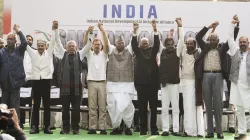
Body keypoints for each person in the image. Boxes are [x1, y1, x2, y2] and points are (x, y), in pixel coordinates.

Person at [53, 23, 92, 135]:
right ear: (66, 48)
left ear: (76, 48)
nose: (71, 48)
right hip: (65, 89)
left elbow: (89, 45)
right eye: (69, 46)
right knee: (65, 109)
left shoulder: (80, 55)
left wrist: (89, 33)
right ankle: (65, 128)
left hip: (77, 89)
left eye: (73, 46)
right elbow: (57, 42)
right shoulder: (62, 54)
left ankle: (75, 128)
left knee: (76, 110)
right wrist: (56, 30)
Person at [176, 18, 204, 137]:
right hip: (184, 82)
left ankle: (197, 131)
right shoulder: (182, 52)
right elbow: (180, 40)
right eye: (187, 43)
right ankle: (188, 131)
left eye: (191, 43)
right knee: (187, 107)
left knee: (195, 107)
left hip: (195, 83)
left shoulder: (198, 52)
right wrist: (180, 27)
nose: (189, 45)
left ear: (195, 44)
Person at [28, 21, 58, 134]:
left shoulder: (49, 53)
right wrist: (18, 32)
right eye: (39, 46)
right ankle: (34, 127)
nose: (40, 47)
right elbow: (25, 45)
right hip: (35, 82)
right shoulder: (32, 53)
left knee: (47, 105)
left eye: (42, 46)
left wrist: (54, 30)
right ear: (37, 46)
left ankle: (46, 127)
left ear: (46, 46)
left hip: (46, 82)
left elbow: (54, 42)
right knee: (35, 106)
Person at [131, 20, 160, 135]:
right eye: (142, 43)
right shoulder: (138, 53)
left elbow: (157, 45)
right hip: (141, 85)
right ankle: (143, 129)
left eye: (146, 43)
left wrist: (155, 29)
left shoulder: (153, 52)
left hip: (153, 85)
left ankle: (153, 129)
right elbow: (133, 45)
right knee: (142, 108)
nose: (144, 44)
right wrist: (134, 31)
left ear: (148, 44)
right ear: (140, 44)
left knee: (153, 108)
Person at [106, 33, 135, 135]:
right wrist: (102, 31)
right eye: (119, 43)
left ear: (124, 43)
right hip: (113, 84)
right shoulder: (111, 50)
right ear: (115, 44)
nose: (121, 44)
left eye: (122, 42)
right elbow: (106, 43)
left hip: (126, 84)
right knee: (112, 106)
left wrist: (135, 31)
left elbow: (133, 42)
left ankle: (128, 127)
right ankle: (116, 127)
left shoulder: (129, 50)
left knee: (127, 106)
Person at [158, 18, 182, 137]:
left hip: (175, 84)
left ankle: (176, 129)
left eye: (172, 44)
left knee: (176, 108)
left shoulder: (177, 53)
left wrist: (179, 27)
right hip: (164, 84)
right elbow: (159, 43)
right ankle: (166, 129)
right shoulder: (162, 52)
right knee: (164, 108)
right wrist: (156, 30)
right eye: (168, 44)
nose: (170, 46)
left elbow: (181, 40)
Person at [0, 24, 27, 120]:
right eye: (8, 39)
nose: (9, 40)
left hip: (15, 84)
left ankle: (15, 127)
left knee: (14, 108)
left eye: (11, 39)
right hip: (4, 85)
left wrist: (19, 31)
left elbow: (24, 43)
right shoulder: (2, 52)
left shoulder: (19, 50)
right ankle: (4, 127)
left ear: (15, 41)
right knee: (3, 108)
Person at [228, 15, 249, 140]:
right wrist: (233, 24)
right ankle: (242, 133)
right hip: (237, 84)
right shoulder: (235, 50)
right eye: (240, 42)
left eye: (244, 42)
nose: (242, 44)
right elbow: (230, 37)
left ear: (248, 43)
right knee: (240, 109)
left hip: (249, 86)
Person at [86, 23, 109, 135]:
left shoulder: (105, 55)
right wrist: (87, 32)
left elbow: (107, 44)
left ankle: (103, 128)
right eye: (95, 44)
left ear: (101, 46)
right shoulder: (89, 54)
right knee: (92, 107)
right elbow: (86, 43)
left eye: (98, 44)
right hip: (91, 82)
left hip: (102, 83)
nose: (96, 46)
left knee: (103, 107)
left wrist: (102, 30)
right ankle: (92, 128)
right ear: (92, 46)